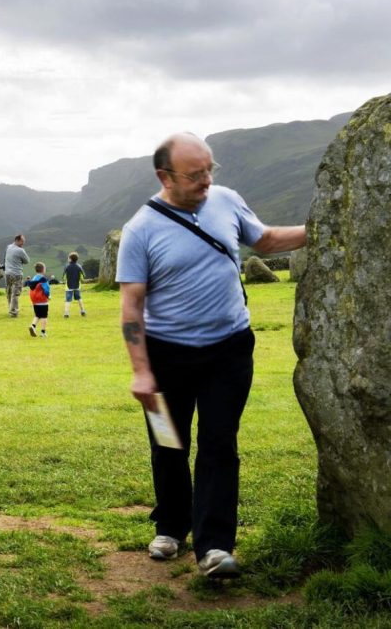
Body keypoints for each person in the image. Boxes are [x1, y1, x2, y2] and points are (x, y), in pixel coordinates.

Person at [116, 132, 305, 578]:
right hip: (164, 358)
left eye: (209, 170)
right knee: (168, 443)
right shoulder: (140, 230)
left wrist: (323, 227)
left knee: (220, 443)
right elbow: (131, 308)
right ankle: (170, 527)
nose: (206, 181)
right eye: (195, 174)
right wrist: (141, 372)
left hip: (230, 350)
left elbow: (267, 241)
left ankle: (215, 547)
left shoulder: (226, 200)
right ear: (165, 176)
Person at [3, 234, 30, 317]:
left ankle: (10, 308)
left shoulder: (8, 247)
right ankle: (14, 312)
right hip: (17, 274)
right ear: (17, 240)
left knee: (9, 292)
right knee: (15, 293)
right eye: (22, 242)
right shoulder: (20, 250)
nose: (23, 243)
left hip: (7, 273)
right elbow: (27, 261)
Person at [24, 262, 51, 337]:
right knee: (44, 316)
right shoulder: (43, 279)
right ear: (43, 270)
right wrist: (48, 296)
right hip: (42, 300)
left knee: (37, 315)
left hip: (35, 301)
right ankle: (43, 332)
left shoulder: (34, 278)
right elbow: (46, 289)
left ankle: (33, 326)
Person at [62, 252, 87, 318]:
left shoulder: (67, 266)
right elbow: (83, 276)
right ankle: (83, 311)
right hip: (77, 286)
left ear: (70, 259)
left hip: (68, 286)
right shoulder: (79, 266)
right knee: (79, 298)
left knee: (68, 300)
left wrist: (64, 281)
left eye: (68, 258)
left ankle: (66, 313)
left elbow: (64, 277)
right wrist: (80, 280)